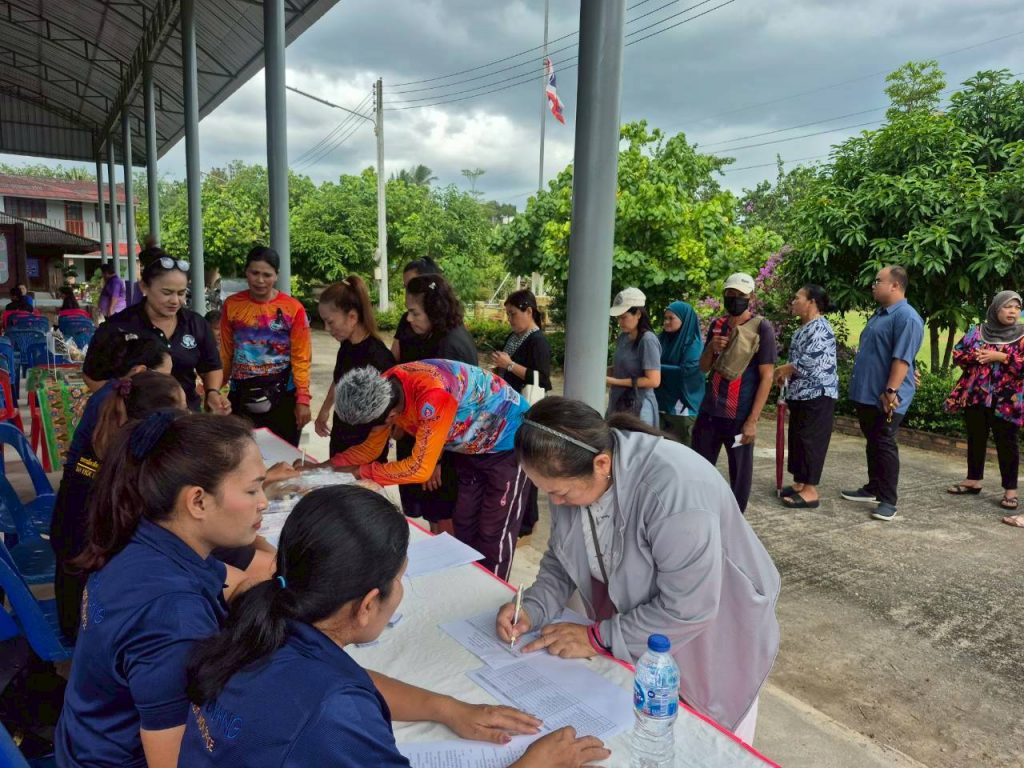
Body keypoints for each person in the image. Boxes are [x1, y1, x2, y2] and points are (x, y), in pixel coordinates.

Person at [179, 485, 607, 767]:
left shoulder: (261, 624)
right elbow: (331, 700)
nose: (400, 590)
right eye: (399, 579)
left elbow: (340, 681)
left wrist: (447, 708)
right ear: (367, 604)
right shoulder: (333, 710)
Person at [496, 397, 780, 743]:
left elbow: (689, 607)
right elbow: (562, 558)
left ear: (602, 463)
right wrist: (532, 607)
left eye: (561, 493)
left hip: (715, 634)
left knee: (706, 741)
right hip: (643, 630)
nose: (556, 502)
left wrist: (597, 638)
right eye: (547, 493)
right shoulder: (577, 473)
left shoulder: (674, 490)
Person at [54, 413, 271, 768]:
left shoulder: (148, 538)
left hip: (85, 738)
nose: (263, 502)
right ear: (197, 501)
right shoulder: (174, 622)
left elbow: (233, 581)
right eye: (252, 490)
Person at [328, 361, 532, 580]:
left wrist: (361, 472)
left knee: (494, 532)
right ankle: (467, 584)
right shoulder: (385, 389)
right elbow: (371, 449)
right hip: (471, 448)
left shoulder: (432, 395)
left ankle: (494, 590)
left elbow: (419, 469)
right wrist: (328, 466)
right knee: (464, 523)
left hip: (509, 445)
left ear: (390, 417)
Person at [50, 371, 186, 639]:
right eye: (182, 409)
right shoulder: (131, 481)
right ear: (157, 423)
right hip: (95, 624)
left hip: (78, 600)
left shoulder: (100, 457)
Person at [83, 253, 230, 414]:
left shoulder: (195, 324)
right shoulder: (118, 326)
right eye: (167, 293)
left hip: (185, 416)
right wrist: (120, 402)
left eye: (181, 293)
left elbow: (211, 366)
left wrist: (212, 392)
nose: (175, 301)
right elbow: (92, 376)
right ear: (144, 287)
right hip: (136, 420)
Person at [392, 271, 477, 529]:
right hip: (445, 445)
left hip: (449, 451)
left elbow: (449, 410)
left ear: (434, 310)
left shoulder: (448, 347)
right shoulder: (445, 336)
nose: (409, 319)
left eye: (415, 313)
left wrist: (435, 460)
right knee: (435, 516)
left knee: (444, 518)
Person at [842, 265, 924, 521]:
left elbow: (902, 358)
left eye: (878, 281)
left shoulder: (907, 317)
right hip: (868, 392)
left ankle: (888, 500)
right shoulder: (881, 314)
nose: (873, 286)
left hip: (888, 396)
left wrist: (891, 391)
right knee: (874, 440)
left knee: (884, 441)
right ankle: (873, 487)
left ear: (895, 285)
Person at [692, 273, 777, 513]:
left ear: (751, 297)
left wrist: (752, 421)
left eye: (741, 295)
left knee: (739, 474)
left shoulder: (761, 327)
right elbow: (703, 367)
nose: (735, 298)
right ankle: (698, 510)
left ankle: (735, 518)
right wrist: (711, 347)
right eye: (731, 293)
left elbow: (767, 376)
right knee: (699, 466)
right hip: (710, 412)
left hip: (739, 415)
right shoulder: (718, 325)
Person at [944, 291, 1024, 523]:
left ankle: (1010, 491)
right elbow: (958, 353)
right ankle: (973, 480)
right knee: (975, 436)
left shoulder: (1021, 336)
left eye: (1016, 307)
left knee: (1007, 442)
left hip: (1007, 400)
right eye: (1007, 307)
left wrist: (1000, 357)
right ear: (995, 308)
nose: (1012, 311)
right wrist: (977, 356)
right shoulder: (978, 331)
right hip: (977, 395)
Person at [221, 246, 313, 446]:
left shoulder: (293, 309)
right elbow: (226, 352)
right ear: (246, 271)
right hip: (241, 395)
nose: (260, 280)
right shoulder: (231, 305)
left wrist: (303, 399)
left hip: (283, 396)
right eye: (254, 273)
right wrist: (214, 389)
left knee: (283, 457)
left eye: (267, 275)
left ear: (276, 275)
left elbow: (301, 357)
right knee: (241, 455)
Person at [314, 276, 396, 459]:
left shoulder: (379, 358)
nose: (326, 329)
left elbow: (387, 418)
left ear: (352, 317)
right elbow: (339, 379)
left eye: (330, 322)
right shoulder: (346, 346)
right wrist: (325, 409)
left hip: (365, 453)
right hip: (341, 440)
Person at [772, 285, 838, 509]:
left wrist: (785, 369)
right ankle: (800, 482)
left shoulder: (821, 327)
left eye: (797, 298)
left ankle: (810, 490)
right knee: (799, 438)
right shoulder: (804, 328)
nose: (793, 302)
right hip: (801, 394)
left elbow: (812, 361)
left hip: (817, 393)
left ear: (811, 302)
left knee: (811, 440)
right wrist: (786, 375)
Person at [492, 289, 552, 537]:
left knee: (526, 461)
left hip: (527, 408)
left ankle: (527, 519)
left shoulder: (537, 341)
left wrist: (510, 365)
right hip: (510, 407)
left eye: (513, 314)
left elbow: (542, 379)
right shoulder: (515, 336)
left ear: (529, 311)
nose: (510, 319)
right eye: (507, 314)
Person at [605, 287, 661, 427]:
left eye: (624, 317)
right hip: (618, 403)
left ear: (638, 314)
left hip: (638, 407)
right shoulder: (623, 337)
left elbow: (653, 381)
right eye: (618, 318)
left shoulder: (647, 340)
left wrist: (614, 381)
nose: (620, 322)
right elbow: (621, 367)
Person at [655, 300, 705, 445]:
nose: (666, 322)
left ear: (684, 319)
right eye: (665, 318)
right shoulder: (661, 340)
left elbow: (687, 371)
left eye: (671, 318)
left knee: (682, 451)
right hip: (660, 405)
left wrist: (655, 368)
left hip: (682, 408)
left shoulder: (693, 344)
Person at [391, 256, 444, 362]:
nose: (408, 294)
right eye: (406, 288)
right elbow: (391, 360)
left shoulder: (448, 338)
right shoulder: (406, 321)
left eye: (413, 286)